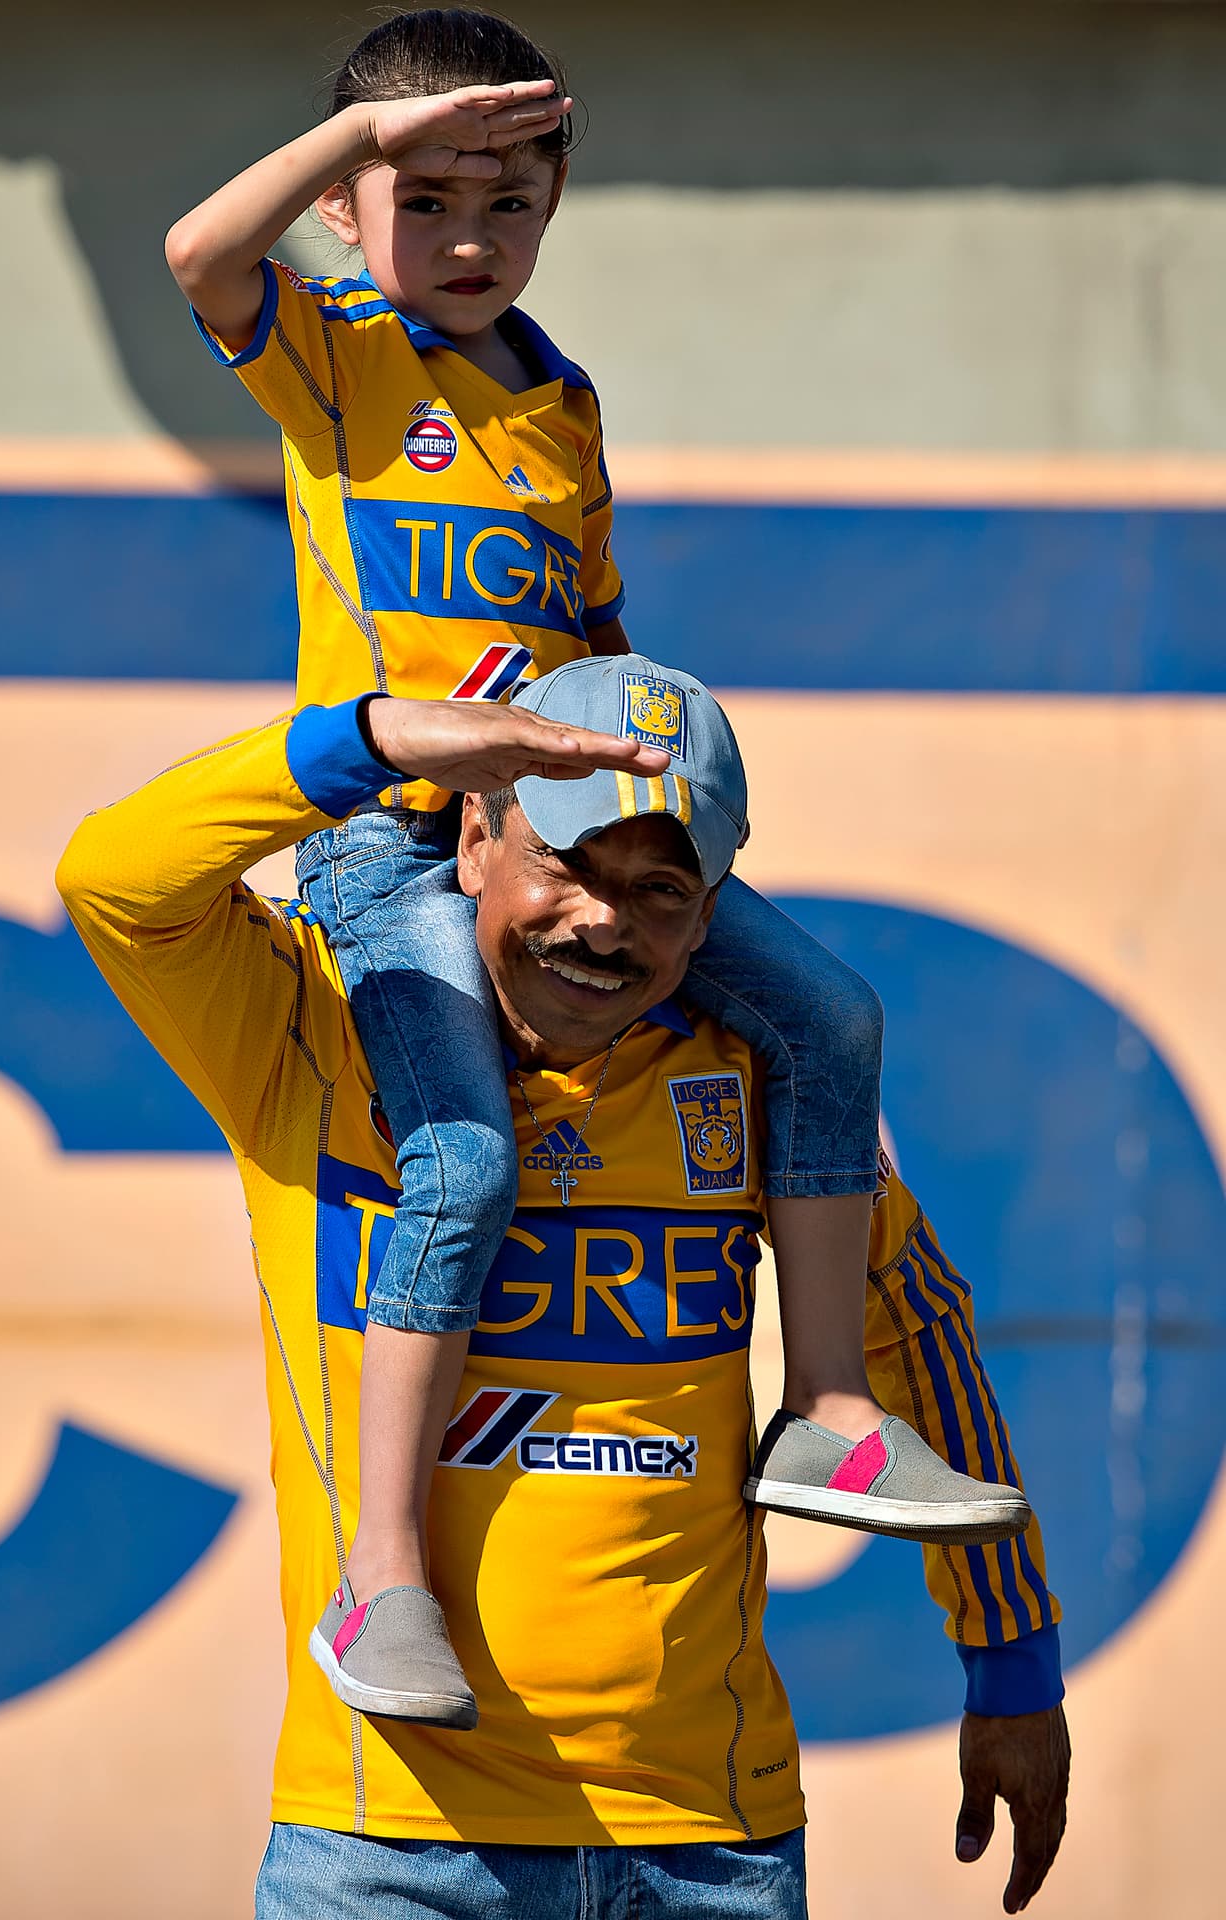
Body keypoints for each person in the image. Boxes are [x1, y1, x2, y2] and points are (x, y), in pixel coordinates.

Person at [162, 7, 1015, 1720]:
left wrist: (637, 763)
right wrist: (357, 141)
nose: (468, 239)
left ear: (554, 208)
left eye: (510, 201)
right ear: (351, 209)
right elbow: (199, 250)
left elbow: (591, 641)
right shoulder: (338, 349)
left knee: (831, 1022)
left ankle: (829, 1416)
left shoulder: (562, 408)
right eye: (428, 198)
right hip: (393, 857)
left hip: (546, 834)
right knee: (462, 1163)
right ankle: (383, 1576)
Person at [57, 655, 1068, 1919]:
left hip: (713, 1845)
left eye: (658, 889)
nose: (601, 921)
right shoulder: (314, 1026)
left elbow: (915, 1330)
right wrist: (368, 739)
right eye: (565, 865)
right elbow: (112, 882)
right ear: (473, 836)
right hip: (389, 1843)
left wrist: (1011, 1665)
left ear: (710, 919)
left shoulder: (762, 1076)